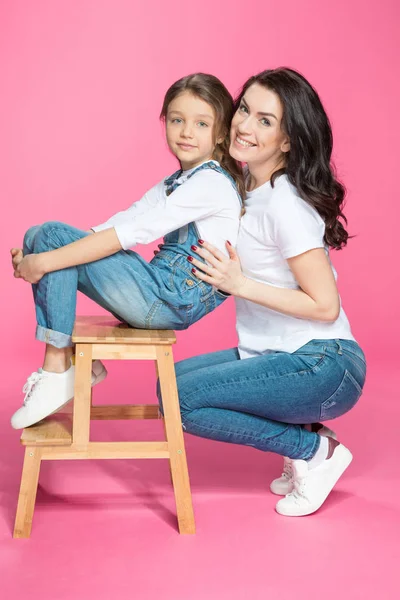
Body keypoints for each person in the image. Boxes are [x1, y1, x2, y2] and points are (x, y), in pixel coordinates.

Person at [160, 68, 367, 517]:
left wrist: (239, 285)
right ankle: (312, 440)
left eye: (266, 121)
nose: (246, 126)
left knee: (182, 404)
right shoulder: (246, 190)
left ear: (288, 141)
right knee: (167, 387)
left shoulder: (285, 203)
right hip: (275, 353)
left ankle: (314, 452)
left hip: (324, 363)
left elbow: (324, 304)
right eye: (245, 110)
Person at [10, 73, 244, 430]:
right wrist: (37, 253)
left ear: (222, 133)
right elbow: (125, 218)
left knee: (51, 238)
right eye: (177, 120)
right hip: (156, 292)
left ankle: (57, 366)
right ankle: (70, 361)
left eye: (201, 124)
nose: (186, 132)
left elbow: (133, 233)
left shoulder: (210, 183)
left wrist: (43, 260)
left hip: (167, 300)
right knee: (38, 234)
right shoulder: (179, 181)